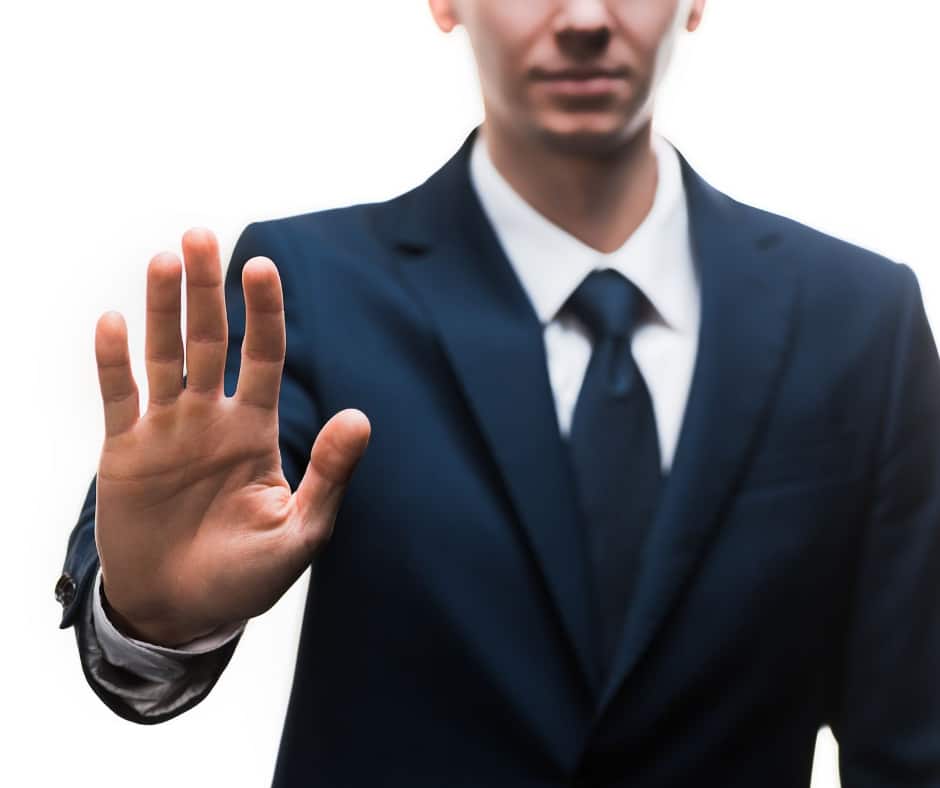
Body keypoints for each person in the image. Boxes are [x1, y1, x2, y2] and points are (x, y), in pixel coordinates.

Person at [57, 0, 940, 785]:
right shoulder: (308, 290)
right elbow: (169, 574)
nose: (587, 16)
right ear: (445, 2)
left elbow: (913, 740)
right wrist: (150, 619)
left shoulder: (862, 320)